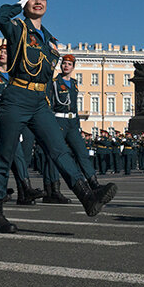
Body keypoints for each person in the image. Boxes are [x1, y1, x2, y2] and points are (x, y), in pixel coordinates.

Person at [0, 0, 115, 232]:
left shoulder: (50, 39)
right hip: (16, 97)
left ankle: (88, 197)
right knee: (4, 156)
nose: (38, 2)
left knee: (60, 150)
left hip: (39, 102)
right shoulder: (17, 28)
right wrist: (19, 5)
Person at [0, 44, 44, 205]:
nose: (2, 54)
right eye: (0, 52)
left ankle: (25, 190)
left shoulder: (16, 76)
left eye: (6, 52)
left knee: (17, 154)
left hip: (11, 115)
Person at [51, 55, 113, 194]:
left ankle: (94, 183)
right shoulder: (54, 82)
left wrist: (77, 124)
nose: (66, 66)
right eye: (64, 63)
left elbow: (74, 105)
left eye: (69, 64)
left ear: (73, 67)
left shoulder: (73, 83)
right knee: (57, 154)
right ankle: (54, 189)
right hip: (59, 120)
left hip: (72, 122)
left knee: (82, 153)